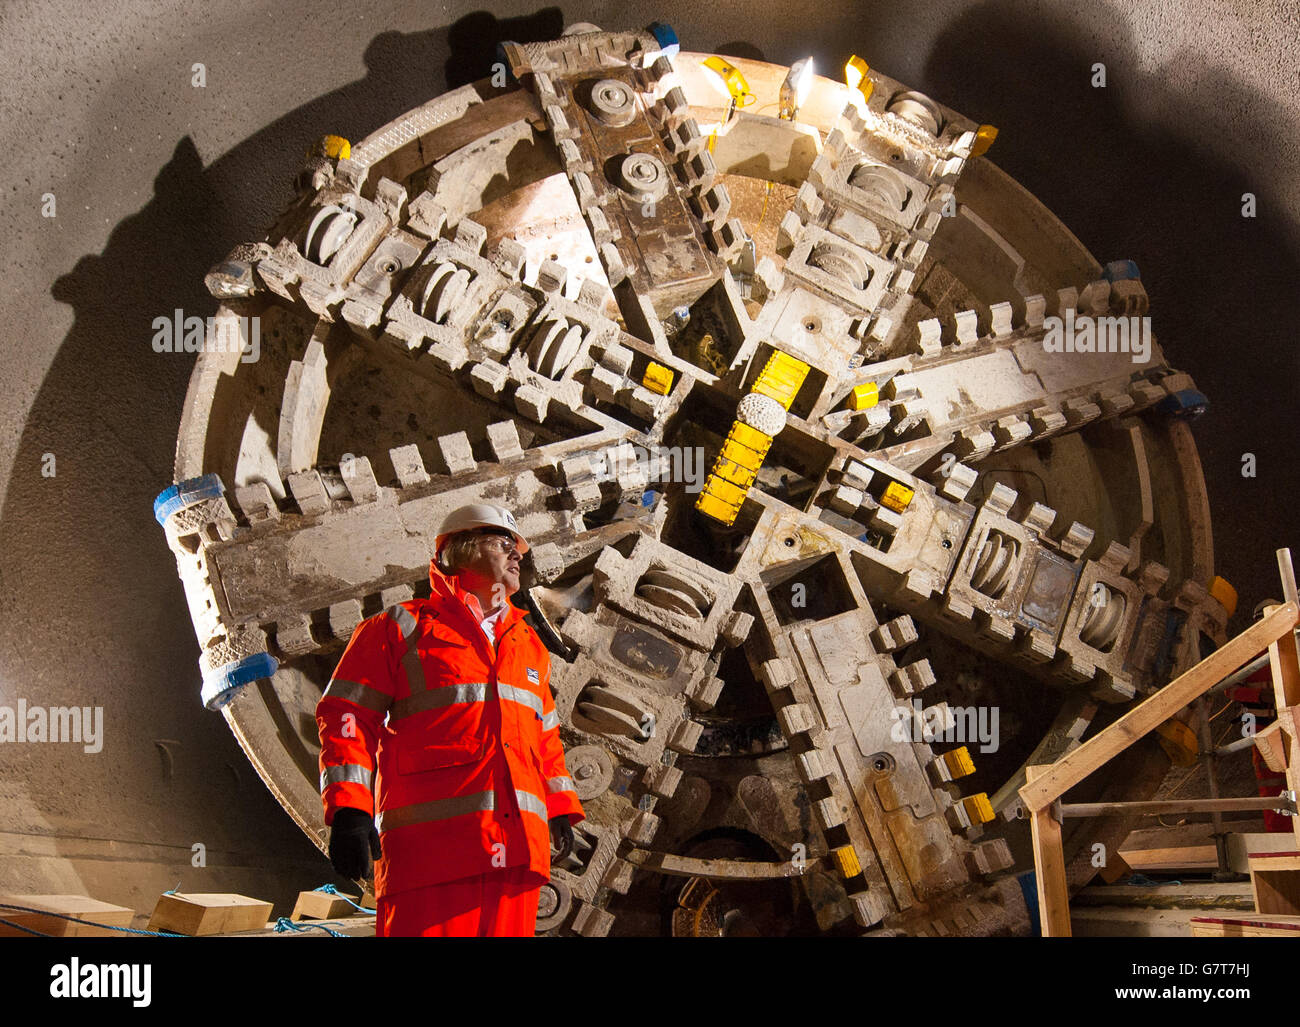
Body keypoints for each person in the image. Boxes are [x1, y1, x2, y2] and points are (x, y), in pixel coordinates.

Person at [315, 502, 584, 936]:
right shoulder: (399, 629)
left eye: (518, 546)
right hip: (430, 857)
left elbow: (546, 739)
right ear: (460, 550)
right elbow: (347, 715)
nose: (518, 554)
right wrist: (349, 809)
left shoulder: (527, 644)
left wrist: (558, 808)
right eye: (504, 542)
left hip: (516, 856)